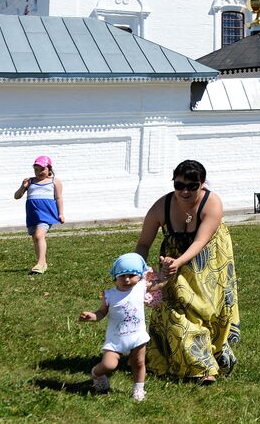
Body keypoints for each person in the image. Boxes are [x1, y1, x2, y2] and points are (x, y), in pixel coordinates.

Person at [133, 159, 240, 384]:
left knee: (207, 308)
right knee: (176, 306)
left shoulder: (212, 203)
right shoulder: (161, 206)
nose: (184, 191)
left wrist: (179, 261)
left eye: (192, 186)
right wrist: (137, 269)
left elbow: (201, 240)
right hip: (173, 260)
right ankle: (202, 367)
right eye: (179, 185)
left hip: (210, 257)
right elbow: (143, 243)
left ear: (202, 184)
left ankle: (212, 352)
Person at [79, 252, 166, 402]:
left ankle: (139, 388)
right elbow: (101, 312)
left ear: (139, 276)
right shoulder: (109, 295)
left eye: (132, 275)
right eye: (122, 276)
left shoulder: (141, 288)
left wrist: (166, 272)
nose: (127, 279)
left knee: (139, 363)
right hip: (116, 339)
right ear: (115, 277)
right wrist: (92, 317)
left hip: (137, 336)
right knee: (109, 364)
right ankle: (96, 373)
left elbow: (160, 283)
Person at [13, 155, 62, 274]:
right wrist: (23, 187)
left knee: (40, 235)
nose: (39, 172)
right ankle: (43, 263)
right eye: (36, 169)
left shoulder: (54, 181)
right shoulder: (30, 181)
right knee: (35, 238)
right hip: (33, 214)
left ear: (49, 169)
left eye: (42, 169)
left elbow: (59, 198)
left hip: (47, 213)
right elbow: (17, 196)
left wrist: (61, 214)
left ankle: (40, 264)